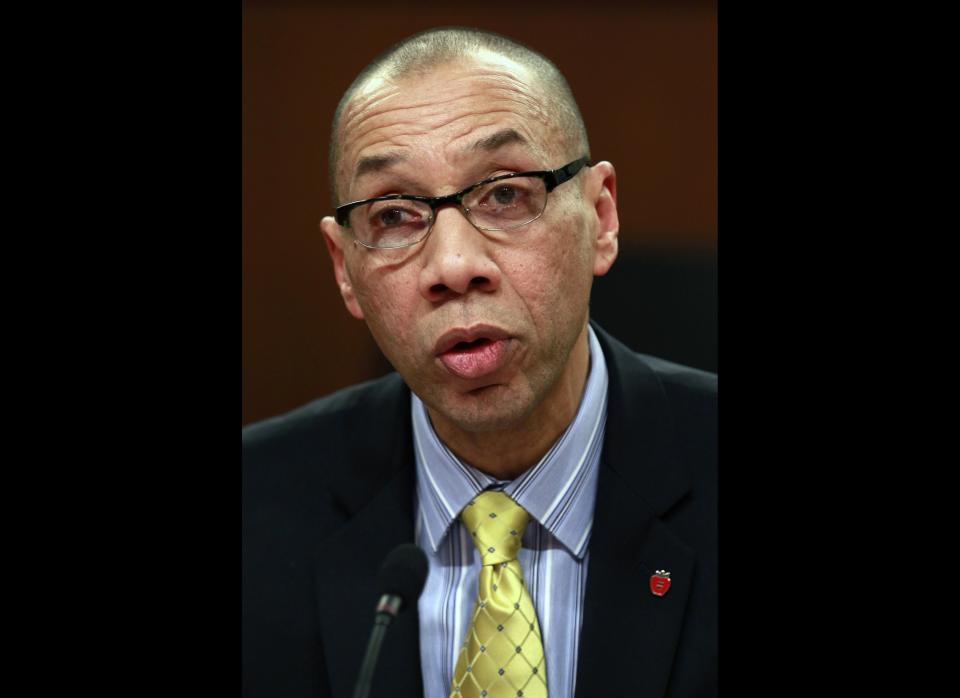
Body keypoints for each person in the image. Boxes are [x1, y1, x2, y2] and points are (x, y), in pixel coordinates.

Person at [243, 27, 716, 698]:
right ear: (345, 270)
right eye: (395, 215)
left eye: (503, 195)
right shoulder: (256, 511)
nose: (454, 267)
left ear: (601, 217)